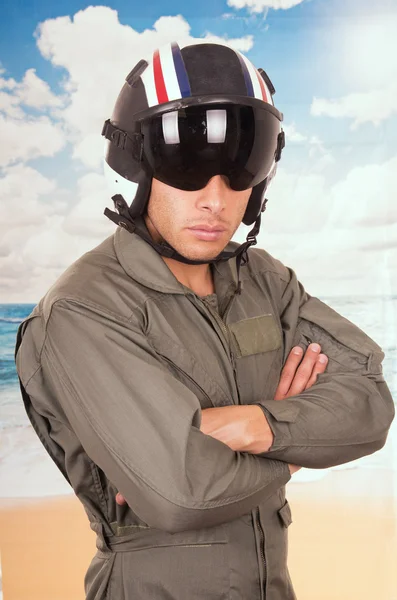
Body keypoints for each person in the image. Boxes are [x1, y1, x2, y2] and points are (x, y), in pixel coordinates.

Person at [14, 40, 394, 600]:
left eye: (239, 167)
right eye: (187, 165)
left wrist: (247, 425)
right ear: (139, 167)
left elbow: (370, 404)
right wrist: (294, 446)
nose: (216, 199)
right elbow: (182, 491)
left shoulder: (267, 279)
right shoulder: (83, 309)